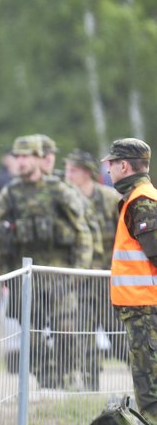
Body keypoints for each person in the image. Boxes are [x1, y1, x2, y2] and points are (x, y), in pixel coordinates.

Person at [0, 134, 93, 389]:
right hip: (26, 279)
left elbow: (82, 233)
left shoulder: (59, 191)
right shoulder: (10, 194)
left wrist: (79, 272)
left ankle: (68, 377)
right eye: (17, 156)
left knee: (66, 329)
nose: (21, 162)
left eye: (26, 156)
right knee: (31, 337)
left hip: (58, 275)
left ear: (38, 158)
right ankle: (47, 380)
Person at [104, 138, 157, 425]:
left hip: (146, 308)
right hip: (141, 307)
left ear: (124, 165)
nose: (109, 170)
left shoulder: (141, 202)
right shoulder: (137, 199)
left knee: (150, 391)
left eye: (111, 164)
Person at [66, 148, 124, 389]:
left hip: (108, 278)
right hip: (80, 279)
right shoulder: (65, 200)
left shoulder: (110, 198)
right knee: (83, 334)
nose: (68, 174)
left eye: (73, 170)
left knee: (118, 333)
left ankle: (145, 380)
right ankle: (90, 387)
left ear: (86, 172)